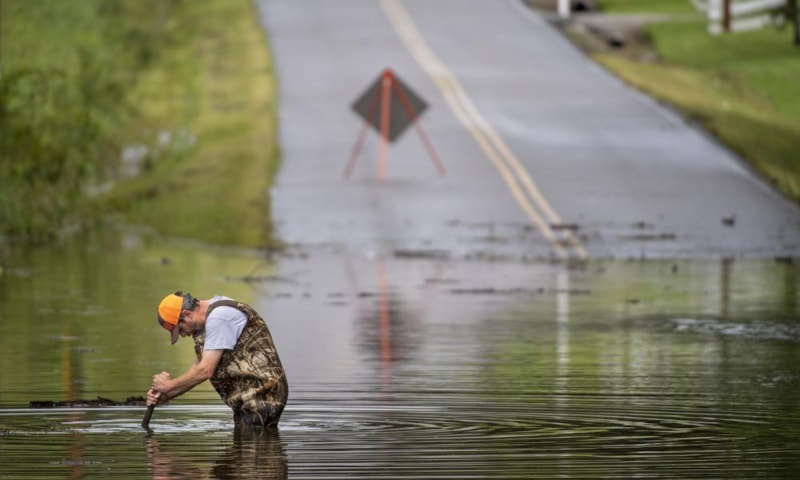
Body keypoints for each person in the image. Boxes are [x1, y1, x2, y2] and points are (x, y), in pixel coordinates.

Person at [146, 291, 288, 428]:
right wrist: (166, 395)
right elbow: (198, 368)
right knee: (246, 444)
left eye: (180, 329)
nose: (183, 335)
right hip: (250, 395)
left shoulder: (219, 318)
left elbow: (205, 370)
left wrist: (168, 386)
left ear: (187, 314)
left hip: (263, 393)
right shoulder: (212, 318)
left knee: (252, 441)